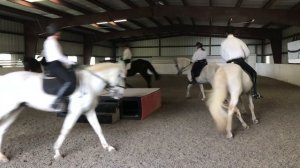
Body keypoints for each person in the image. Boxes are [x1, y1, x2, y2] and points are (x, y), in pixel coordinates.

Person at [220, 29, 263, 99]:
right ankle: (254, 92)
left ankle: (223, 96)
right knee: (253, 73)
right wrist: (244, 58)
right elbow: (247, 52)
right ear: (234, 33)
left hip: (229, 63)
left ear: (226, 33)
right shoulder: (239, 41)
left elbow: (222, 55)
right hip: (239, 61)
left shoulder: (223, 43)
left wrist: (227, 61)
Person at [43, 23, 76, 111]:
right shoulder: (52, 42)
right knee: (69, 80)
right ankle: (57, 100)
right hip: (55, 65)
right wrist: (71, 62)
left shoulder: (48, 41)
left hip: (55, 64)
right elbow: (59, 56)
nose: (60, 33)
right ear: (55, 32)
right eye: (59, 32)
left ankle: (67, 97)